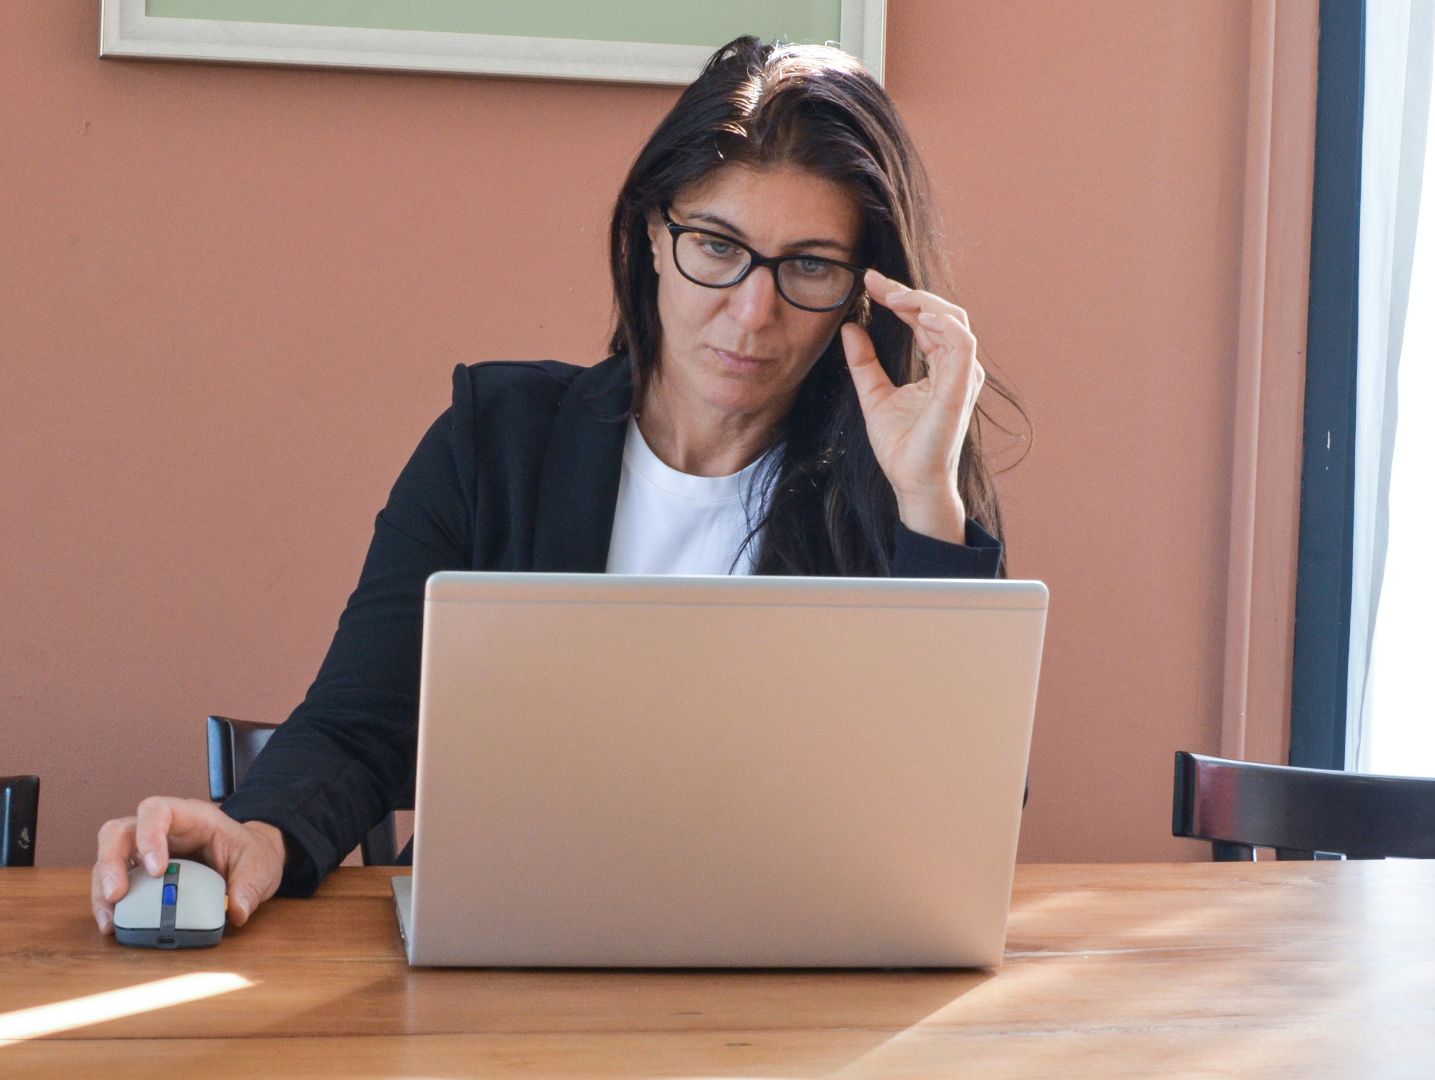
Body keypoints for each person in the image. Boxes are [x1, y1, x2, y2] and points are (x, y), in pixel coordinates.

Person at [90, 35, 1024, 935]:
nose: (752, 310)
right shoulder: (497, 442)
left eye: (809, 266)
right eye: (716, 245)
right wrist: (259, 832)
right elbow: (361, 722)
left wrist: (926, 507)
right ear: (654, 235)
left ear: (862, 294)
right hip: (502, 950)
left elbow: (950, 820)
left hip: (787, 971)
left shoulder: (904, 487)